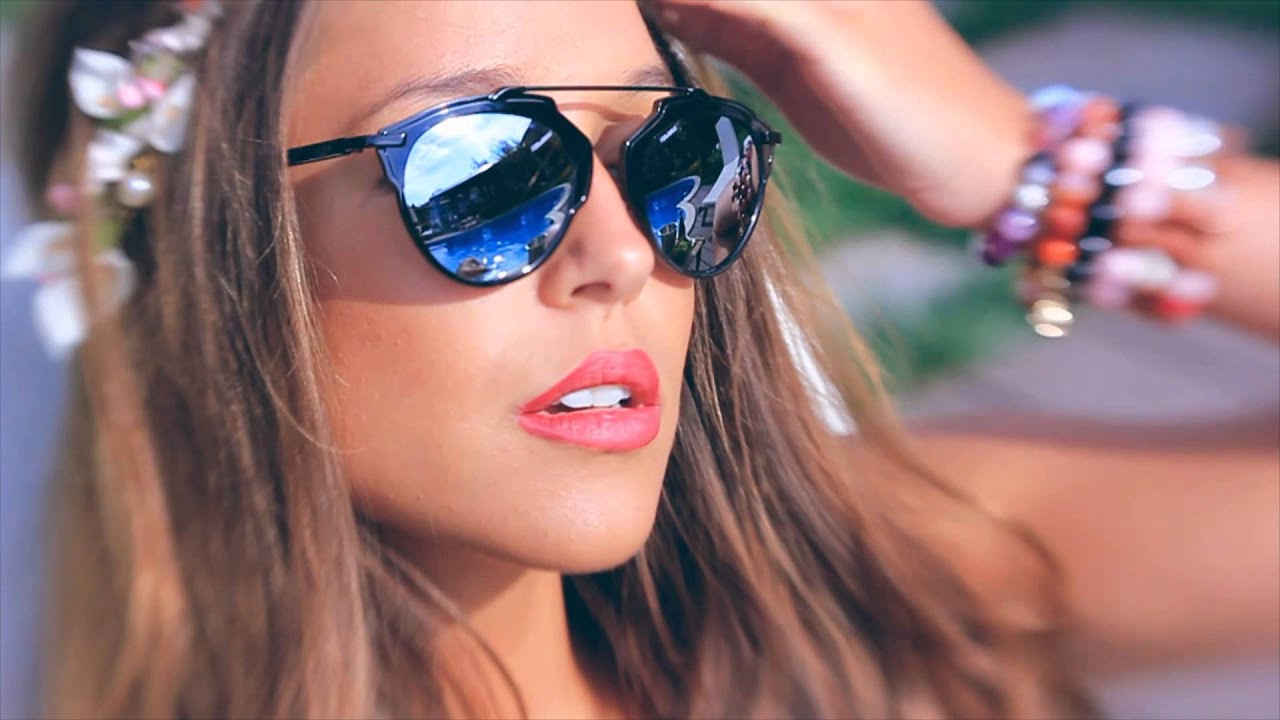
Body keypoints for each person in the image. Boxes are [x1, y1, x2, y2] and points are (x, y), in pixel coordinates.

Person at [5, 1, 1276, 718]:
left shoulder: (864, 597)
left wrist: (1026, 163)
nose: (620, 253)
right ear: (204, 257)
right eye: (486, 171)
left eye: (675, 156)